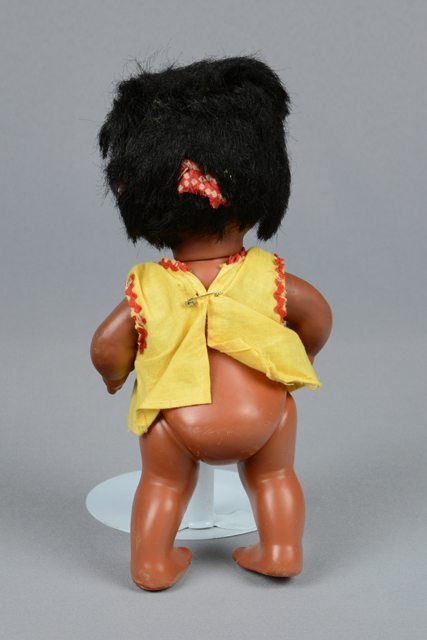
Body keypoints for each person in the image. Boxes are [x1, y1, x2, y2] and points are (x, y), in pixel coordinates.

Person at [91, 55, 332, 591]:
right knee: (274, 474)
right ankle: (281, 549)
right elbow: (317, 314)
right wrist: (300, 355)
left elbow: (106, 347)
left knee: (162, 482)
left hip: (176, 416)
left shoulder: (149, 285)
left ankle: (152, 563)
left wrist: (115, 378)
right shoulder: (269, 274)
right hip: (264, 412)